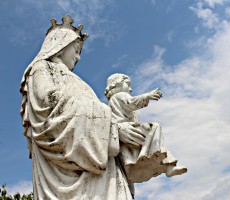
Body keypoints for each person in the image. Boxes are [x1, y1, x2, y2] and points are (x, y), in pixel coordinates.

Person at [20, 15, 143, 200]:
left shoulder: (76, 81)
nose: (77, 57)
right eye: (76, 50)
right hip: (69, 171)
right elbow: (49, 106)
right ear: (60, 47)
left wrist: (118, 128)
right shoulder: (41, 68)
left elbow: (87, 111)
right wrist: (112, 128)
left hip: (101, 165)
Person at [104, 73, 187, 183]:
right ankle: (166, 165)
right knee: (154, 129)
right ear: (117, 85)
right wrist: (147, 96)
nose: (130, 89)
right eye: (128, 84)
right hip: (126, 128)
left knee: (152, 141)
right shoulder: (120, 96)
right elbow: (131, 102)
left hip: (124, 130)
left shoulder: (112, 101)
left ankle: (168, 166)